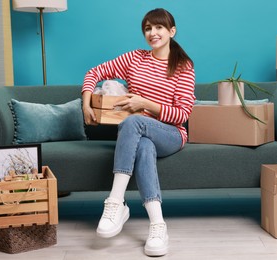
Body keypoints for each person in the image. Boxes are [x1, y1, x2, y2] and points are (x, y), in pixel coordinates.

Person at [81, 8, 195, 257]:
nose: (152, 33)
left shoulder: (183, 66)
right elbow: (94, 73)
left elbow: (182, 115)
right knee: (143, 145)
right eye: (147, 28)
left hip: (171, 134)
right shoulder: (135, 58)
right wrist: (86, 103)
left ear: (171, 31)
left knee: (133, 122)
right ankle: (157, 225)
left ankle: (115, 202)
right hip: (142, 136)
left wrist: (144, 104)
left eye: (158, 28)